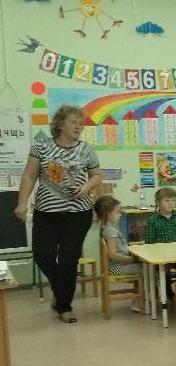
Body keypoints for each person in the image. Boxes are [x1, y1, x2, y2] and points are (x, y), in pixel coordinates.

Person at [14, 104, 102, 323]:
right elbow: (29, 175)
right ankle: (60, 289)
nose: (78, 126)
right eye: (74, 122)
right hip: (47, 213)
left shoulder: (86, 149)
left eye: (81, 124)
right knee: (42, 254)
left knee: (68, 260)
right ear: (60, 124)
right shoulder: (41, 146)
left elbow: (97, 175)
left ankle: (64, 306)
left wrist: (87, 187)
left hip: (78, 213)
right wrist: (22, 203)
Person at [94, 196, 142, 276]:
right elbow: (112, 255)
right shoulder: (110, 231)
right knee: (148, 268)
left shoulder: (105, 229)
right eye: (117, 212)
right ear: (107, 213)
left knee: (145, 266)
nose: (120, 214)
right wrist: (131, 259)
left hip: (117, 266)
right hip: (117, 267)